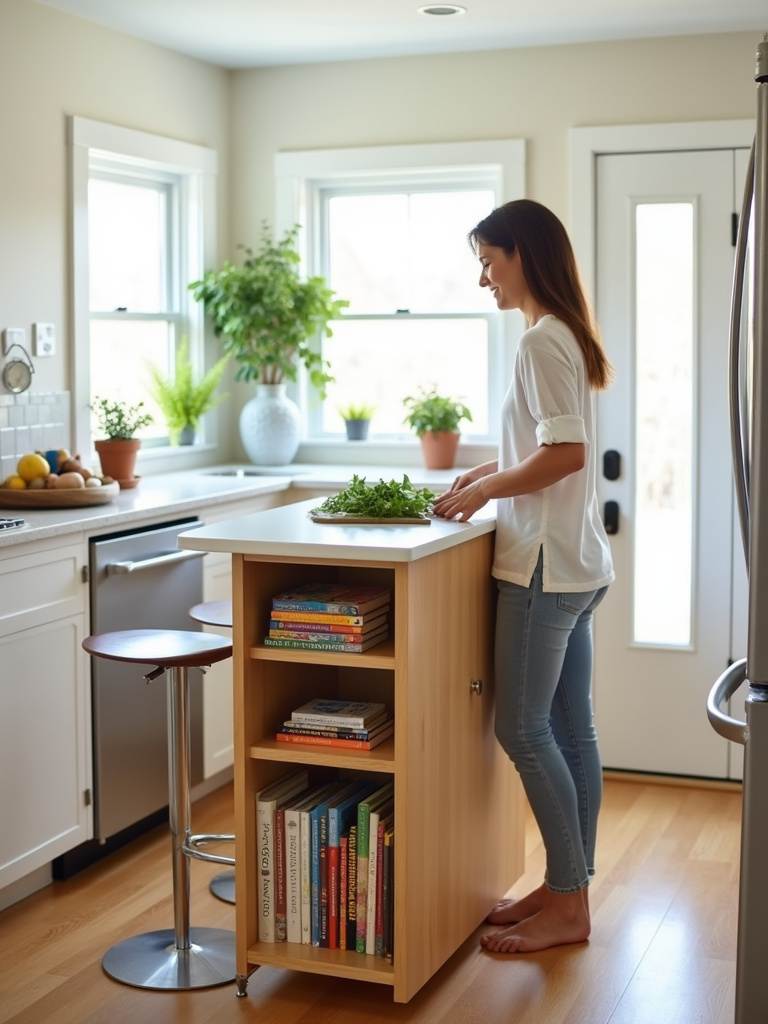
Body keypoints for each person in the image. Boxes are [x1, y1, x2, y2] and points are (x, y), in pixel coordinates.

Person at [433, 199, 615, 954]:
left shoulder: (540, 341)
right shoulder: (566, 334)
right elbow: (548, 447)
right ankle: (563, 886)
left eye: (488, 260)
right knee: (573, 731)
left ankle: (568, 905)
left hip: (541, 570)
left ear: (523, 255)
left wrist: (480, 491)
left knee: (521, 727)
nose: (484, 279)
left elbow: (565, 457)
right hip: (578, 563)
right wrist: (489, 470)